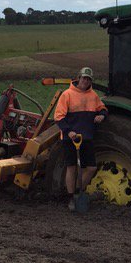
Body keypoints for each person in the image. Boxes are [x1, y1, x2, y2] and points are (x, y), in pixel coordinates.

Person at [54, 67, 108, 210]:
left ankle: (78, 191)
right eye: (84, 78)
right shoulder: (67, 95)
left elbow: (103, 108)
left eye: (88, 79)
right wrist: (68, 131)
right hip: (70, 138)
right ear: (78, 78)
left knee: (90, 168)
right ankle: (71, 197)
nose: (85, 81)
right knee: (71, 167)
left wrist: (101, 115)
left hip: (87, 138)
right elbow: (58, 116)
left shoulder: (93, 96)